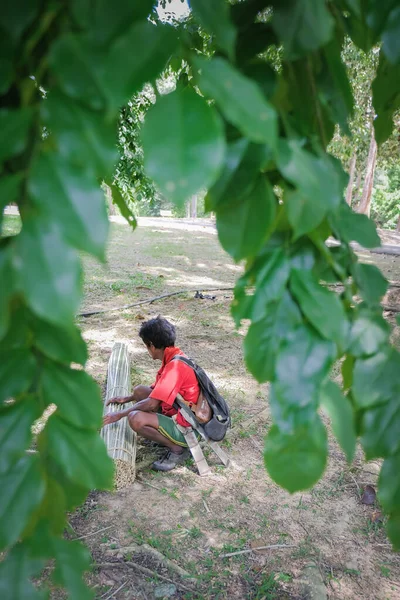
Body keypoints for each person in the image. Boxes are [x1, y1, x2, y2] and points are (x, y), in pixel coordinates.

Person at [103, 316, 199, 472]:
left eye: (146, 346)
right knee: (140, 391)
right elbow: (155, 390)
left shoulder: (175, 367)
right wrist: (128, 398)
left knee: (135, 418)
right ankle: (165, 434)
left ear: (152, 346)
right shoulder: (174, 356)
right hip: (177, 411)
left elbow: (152, 403)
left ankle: (177, 449)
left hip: (188, 428)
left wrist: (118, 414)